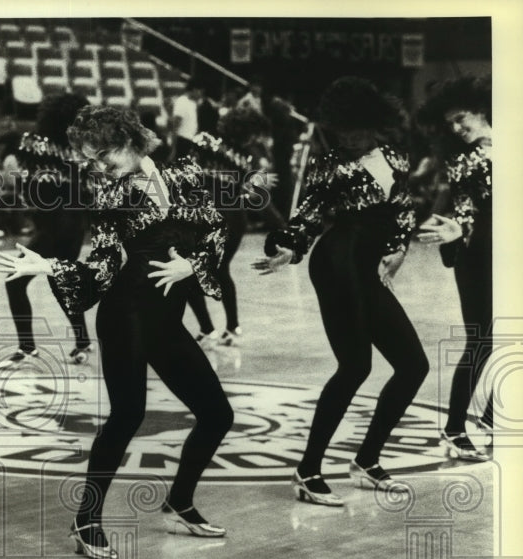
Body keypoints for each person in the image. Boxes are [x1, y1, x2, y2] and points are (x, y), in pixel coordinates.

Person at [0, 105, 232, 559]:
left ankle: (179, 503)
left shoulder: (184, 174)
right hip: (125, 314)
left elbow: (216, 229)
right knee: (128, 415)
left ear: (131, 138)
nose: (98, 166)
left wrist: (192, 265)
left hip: (166, 319)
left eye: (103, 154)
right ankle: (86, 520)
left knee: (217, 414)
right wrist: (50, 266)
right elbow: (102, 265)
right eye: (90, 159)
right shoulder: (110, 198)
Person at [253, 77, 428, 506]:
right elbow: (308, 214)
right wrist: (287, 247)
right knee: (355, 367)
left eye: (355, 129)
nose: (347, 137)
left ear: (374, 124)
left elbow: (403, 209)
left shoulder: (395, 158)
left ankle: (366, 461)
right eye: (340, 130)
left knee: (412, 366)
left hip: (369, 267)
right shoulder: (328, 163)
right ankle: (307, 471)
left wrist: (399, 249)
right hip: (337, 264)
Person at [416, 75, 493, 460]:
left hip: (506, 255)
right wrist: (458, 229)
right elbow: (466, 210)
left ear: (482, 109)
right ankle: (453, 429)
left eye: (461, 118)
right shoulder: (467, 161)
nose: (457, 128)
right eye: (450, 124)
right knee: (481, 342)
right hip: (477, 257)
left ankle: (493, 416)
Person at [0, 93, 94, 369]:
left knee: (14, 282)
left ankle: (27, 348)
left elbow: (18, 179)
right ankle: (82, 341)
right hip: (75, 228)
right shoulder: (78, 153)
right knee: (61, 284)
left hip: (54, 227)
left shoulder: (33, 145)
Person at [181, 108, 278, 345]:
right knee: (222, 271)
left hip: (207, 214)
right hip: (235, 217)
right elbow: (257, 195)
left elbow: (186, 175)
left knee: (188, 274)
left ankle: (207, 329)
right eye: (253, 135)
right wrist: (283, 229)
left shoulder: (203, 141)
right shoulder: (246, 158)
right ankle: (233, 328)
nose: (254, 140)